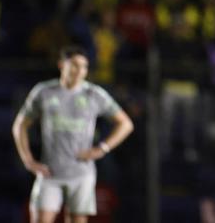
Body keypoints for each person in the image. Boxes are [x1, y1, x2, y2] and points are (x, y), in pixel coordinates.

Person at [12, 45, 134, 223]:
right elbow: (20, 125)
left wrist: (102, 149)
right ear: (61, 64)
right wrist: (28, 161)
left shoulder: (94, 94)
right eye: (75, 64)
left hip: (81, 174)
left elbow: (126, 124)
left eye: (84, 66)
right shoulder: (44, 92)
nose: (80, 70)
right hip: (49, 174)